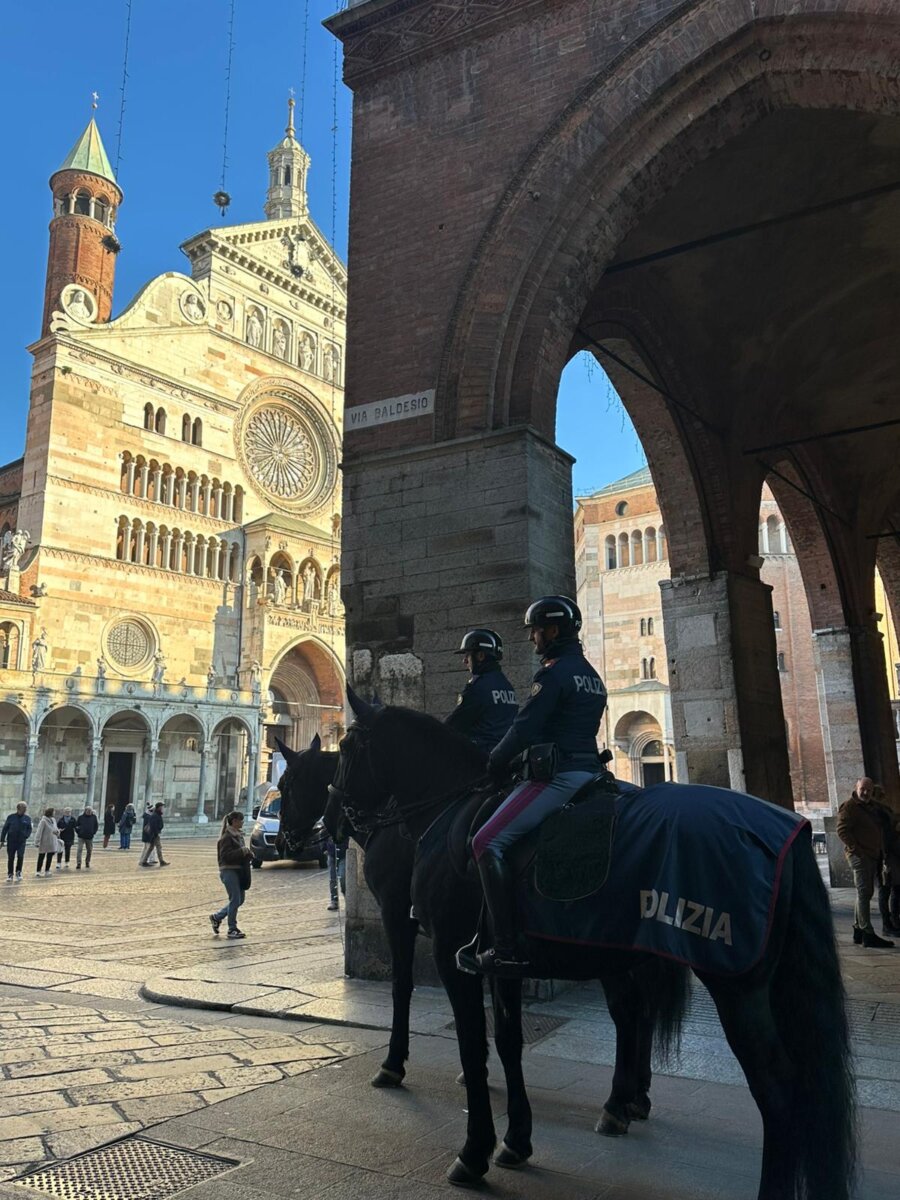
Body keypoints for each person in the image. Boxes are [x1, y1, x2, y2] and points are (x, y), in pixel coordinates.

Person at [459, 596, 607, 975]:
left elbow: (524, 728)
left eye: (537, 630)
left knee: (485, 842)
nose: (532, 638)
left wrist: (494, 761)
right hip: (592, 772)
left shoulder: (552, 675)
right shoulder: (592, 675)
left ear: (554, 631)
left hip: (560, 776)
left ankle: (506, 948)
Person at [837, 777, 894, 948]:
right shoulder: (850, 807)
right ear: (856, 788)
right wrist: (858, 851)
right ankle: (867, 932)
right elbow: (842, 830)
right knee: (864, 892)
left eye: (869, 790)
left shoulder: (869, 807)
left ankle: (858, 929)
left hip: (870, 855)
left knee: (864, 893)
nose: (866, 792)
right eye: (863, 789)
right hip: (861, 856)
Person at [444, 629, 518, 753]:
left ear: (480, 656)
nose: (464, 661)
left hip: (481, 755)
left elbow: (455, 724)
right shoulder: (506, 685)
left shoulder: (478, 687)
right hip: (504, 753)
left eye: (467, 655)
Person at [209, 810, 253, 939]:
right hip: (229, 870)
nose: (243, 823)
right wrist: (241, 851)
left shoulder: (238, 835)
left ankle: (217, 917)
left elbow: (240, 853)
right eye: (241, 820)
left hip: (239, 871)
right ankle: (232, 929)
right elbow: (225, 856)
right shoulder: (226, 837)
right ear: (234, 821)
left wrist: (248, 854)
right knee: (235, 899)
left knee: (240, 900)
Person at [2, 802, 32, 882]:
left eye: (26, 808)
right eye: (24, 808)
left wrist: (26, 835)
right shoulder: (11, 817)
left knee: (20, 856)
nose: (25, 809)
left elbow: (29, 828)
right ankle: (10, 874)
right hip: (11, 841)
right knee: (11, 858)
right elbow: (5, 829)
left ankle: (18, 872)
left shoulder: (27, 818)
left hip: (21, 842)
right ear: (18, 808)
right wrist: (2, 840)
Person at [139, 802, 169, 867]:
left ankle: (144, 861)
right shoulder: (155, 815)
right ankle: (161, 861)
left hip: (154, 834)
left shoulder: (157, 814)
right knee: (158, 847)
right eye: (161, 807)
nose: (163, 808)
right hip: (154, 834)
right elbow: (153, 826)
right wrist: (156, 833)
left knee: (151, 847)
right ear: (159, 807)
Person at [34, 807, 58, 877]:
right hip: (44, 842)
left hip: (52, 842)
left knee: (49, 857)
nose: (54, 813)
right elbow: (39, 831)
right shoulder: (43, 821)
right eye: (53, 812)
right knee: (41, 856)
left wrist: (57, 831)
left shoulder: (53, 820)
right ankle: (38, 871)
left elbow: (55, 828)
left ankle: (47, 870)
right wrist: (37, 841)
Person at [326, 836, 347, 911]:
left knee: (343, 876)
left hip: (343, 854)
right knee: (332, 879)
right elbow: (323, 833)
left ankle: (346, 896)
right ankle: (334, 900)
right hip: (331, 854)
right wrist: (324, 848)